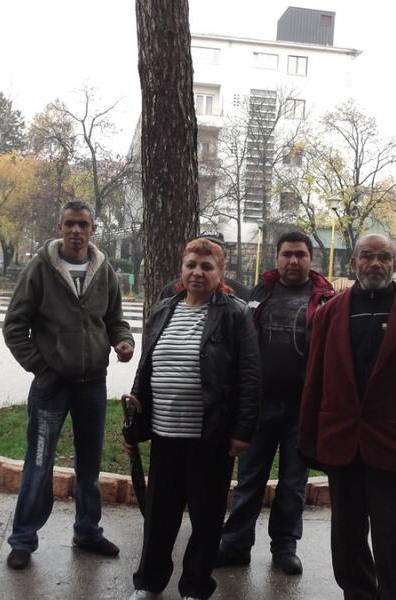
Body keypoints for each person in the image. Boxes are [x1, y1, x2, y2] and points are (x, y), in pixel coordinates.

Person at [298, 232, 396, 600]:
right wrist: (308, 437)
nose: (375, 263)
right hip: (342, 443)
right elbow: (314, 380)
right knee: (346, 537)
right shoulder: (329, 315)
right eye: (367, 256)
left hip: (394, 445)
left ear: (395, 264)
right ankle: (358, 593)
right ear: (354, 263)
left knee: (394, 537)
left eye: (384, 257)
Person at [2, 200, 135, 570]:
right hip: (51, 386)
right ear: (60, 227)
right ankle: (23, 540)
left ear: (93, 229)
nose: (76, 231)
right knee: (39, 462)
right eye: (70, 224)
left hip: (92, 385)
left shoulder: (103, 269)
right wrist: (41, 368)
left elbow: (115, 319)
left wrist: (123, 341)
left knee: (90, 464)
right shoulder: (40, 268)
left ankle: (87, 531)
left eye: (83, 224)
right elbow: (15, 325)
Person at [126, 237, 260, 600]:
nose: (198, 273)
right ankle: (149, 582)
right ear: (182, 269)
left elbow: (250, 375)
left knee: (206, 517)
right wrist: (136, 417)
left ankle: (196, 587)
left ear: (220, 272)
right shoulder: (162, 309)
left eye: (207, 267)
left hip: (211, 436)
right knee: (159, 515)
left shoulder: (234, 314)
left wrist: (242, 430)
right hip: (165, 433)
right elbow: (146, 366)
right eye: (191, 265)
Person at [216, 230, 334, 575]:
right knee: (249, 479)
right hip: (259, 405)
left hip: (302, 409)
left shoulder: (326, 301)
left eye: (300, 254)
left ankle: (285, 547)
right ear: (277, 257)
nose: (293, 261)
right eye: (287, 254)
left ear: (311, 259)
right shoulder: (259, 293)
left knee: (294, 484)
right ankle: (236, 544)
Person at [157, 232, 250, 301]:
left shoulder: (240, 294)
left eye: (215, 250)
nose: (197, 273)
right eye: (200, 247)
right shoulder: (170, 291)